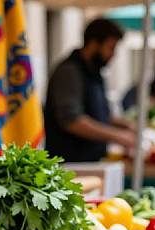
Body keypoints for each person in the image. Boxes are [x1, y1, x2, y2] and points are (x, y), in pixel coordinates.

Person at [44, 18, 136, 162]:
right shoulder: (69, 72)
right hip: (71, 165)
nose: (113, 55)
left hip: (92, 161)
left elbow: (100, 114)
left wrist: (126, 125)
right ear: (94, 44)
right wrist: (117, 136)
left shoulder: (94, 72)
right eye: (111, 48)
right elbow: (72, 121)